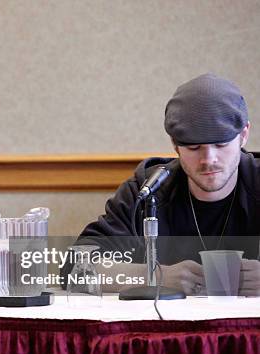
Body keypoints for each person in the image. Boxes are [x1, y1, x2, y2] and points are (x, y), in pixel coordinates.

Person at [71, 73, 260, 296]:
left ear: (244, 135)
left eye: (221, 144)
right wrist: (154, 276)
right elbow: (75, 268)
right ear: (175, 145)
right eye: (193, 148)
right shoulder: (149, 189)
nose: (209, 159)